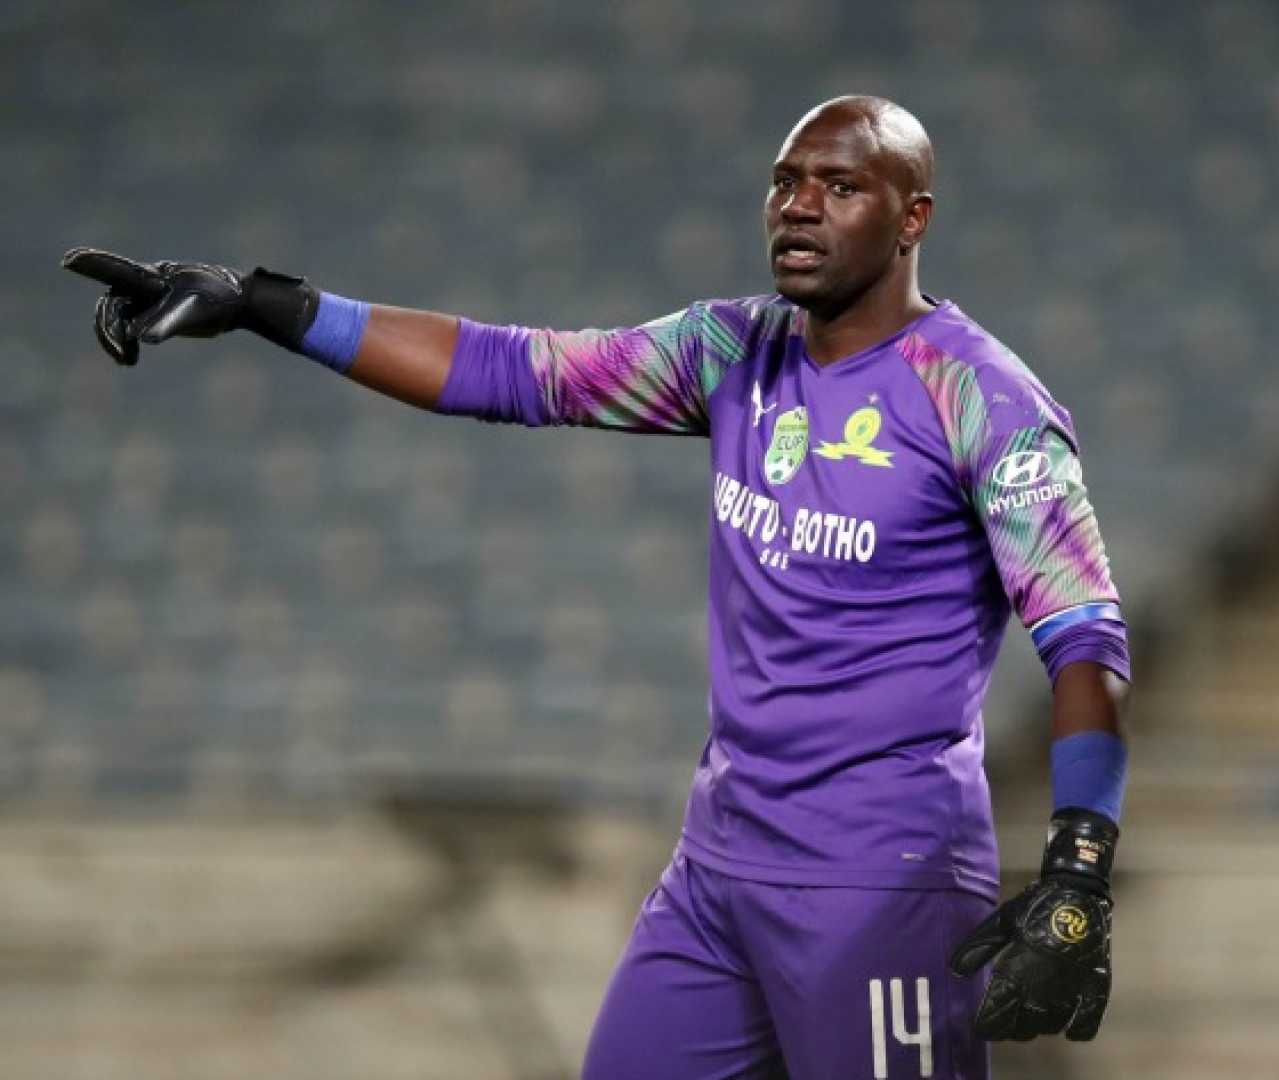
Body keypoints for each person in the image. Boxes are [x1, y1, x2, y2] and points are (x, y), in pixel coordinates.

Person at [65, 95, 1130, 1080]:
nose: (799, 207)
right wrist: (262, 304)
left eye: (840, 186)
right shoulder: (731, 350)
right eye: (785, 181)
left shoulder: (981, 399)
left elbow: (1083, 638)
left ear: (912, 219)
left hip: (878, 882)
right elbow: (510, 370)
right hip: (720, 869)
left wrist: (1079, 870)